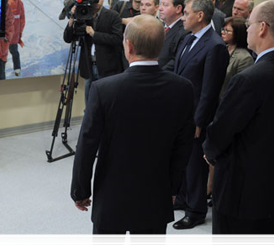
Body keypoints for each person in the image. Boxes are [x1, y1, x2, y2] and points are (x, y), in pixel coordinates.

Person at [71, 14, 195, 245]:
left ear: (127, 45)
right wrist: (173, 187)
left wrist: (80, 189)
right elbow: (183, 144)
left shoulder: (103, 89)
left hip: (112, 194)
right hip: (156, 192)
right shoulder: (183, 88)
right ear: (161, 45)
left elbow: (87, 144)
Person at [202, 0, 274, 245]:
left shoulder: (250, 78)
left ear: (263, 28)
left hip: (240, 192)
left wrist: (210, 152)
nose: (248, 28)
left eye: (249, 23)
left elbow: (222, 130)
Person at [172, 0, 229, 230]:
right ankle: (184, 198)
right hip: (180, 112)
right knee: (183, 159)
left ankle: (195, 211)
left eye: (186, 13)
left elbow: (209, 89)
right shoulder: (188, 39)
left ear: (200, 15)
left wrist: (199, 120)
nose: (182, 16)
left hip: (197, 116)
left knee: (195, 164)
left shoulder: (215, 45)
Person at [206, 17, 254, 204]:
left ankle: (212, 188)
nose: (223, 33)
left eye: (228, 31)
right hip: (214, 104)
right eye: (223, 30)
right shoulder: (220, 49)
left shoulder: (244, 57)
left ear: (239, 34)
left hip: (227, 107)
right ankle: (209, 187)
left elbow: (240, 89)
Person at [63, 0, 123, 104]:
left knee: (107, 104)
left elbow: (117, 39)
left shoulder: (113, 16)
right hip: (88, 67)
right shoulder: (83, 15)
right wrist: (71, 18)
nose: (96, 0)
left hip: (107, 68)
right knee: (90, 105)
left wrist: (94, 34)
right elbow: (68, 38)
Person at [113, 0, 151, 69]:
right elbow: (108, 21)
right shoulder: (121, 6)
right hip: (116, 52)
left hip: (137, 55)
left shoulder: (147, 12)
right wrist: (123, 21)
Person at [158, 0, 189, 71]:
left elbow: (176, 60)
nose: (160, 8)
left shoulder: (185, 31)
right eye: (161, 4)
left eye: (165, 5)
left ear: (178, 9)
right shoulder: (158, 26)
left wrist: (157, 74)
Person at [6, 0, 26, 76]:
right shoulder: (19, 2)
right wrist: (19, 32)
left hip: (5, 33)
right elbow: (22, 19)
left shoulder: (4, 2)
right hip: (15, 33)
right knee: (14, 51)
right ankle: (17, 68)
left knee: (1, 53)